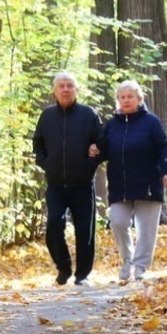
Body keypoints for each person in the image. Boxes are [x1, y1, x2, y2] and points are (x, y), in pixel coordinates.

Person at [91, 79, 167, 282]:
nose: (126, 101)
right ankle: (127, 259)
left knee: (146, 230)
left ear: (139, 99)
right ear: (118, 100)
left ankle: (140, 267)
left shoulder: (151, 122)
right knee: (118, 222)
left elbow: (163, 147)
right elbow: (103, 151)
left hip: (148, 184)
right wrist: (94, 152)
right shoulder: (111, 125)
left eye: (130, 97)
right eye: (122, 97)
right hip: (120, 185)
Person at [33, 71, 101, 286]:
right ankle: (63, 267)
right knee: (54, 224)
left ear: (76, 90)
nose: (65, 89)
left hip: (82, 184)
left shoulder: (89, 115)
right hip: (55, 185)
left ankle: (82, 274)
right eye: (61, 86)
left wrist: (90, 163)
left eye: (69, 86)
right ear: (55, 90)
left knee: (85, 230)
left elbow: (101, 144)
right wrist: (47, 163)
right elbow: (38, 144)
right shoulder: (47, 116)